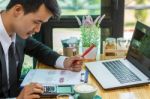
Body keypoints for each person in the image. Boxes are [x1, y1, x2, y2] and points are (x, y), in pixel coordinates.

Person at [0, 0, 83, 98]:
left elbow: (38, 49)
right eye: (36, 22)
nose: (37, 29)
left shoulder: (16, 31)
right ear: (18, 10)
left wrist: (65, 62)